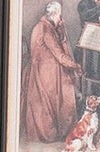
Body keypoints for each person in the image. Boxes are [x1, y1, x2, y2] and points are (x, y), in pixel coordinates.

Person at [21, 2, 82, 143]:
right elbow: (60, 56)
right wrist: (76, 66)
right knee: (67, 93)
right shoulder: (46, 29)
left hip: (42, 70)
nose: (61, 18)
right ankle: (58, 133)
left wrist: (61, 32)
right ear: (55, 14)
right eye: (60, 15)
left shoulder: (45, 26)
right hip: (45, 73)